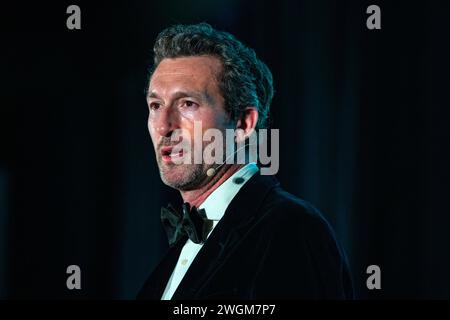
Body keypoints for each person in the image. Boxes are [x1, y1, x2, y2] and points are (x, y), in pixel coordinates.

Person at [137, 23, 353, 299]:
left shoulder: (292, 228)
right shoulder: (180, 249)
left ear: (243, 123)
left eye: (187, 103)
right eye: (155, 106)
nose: (163, 126)